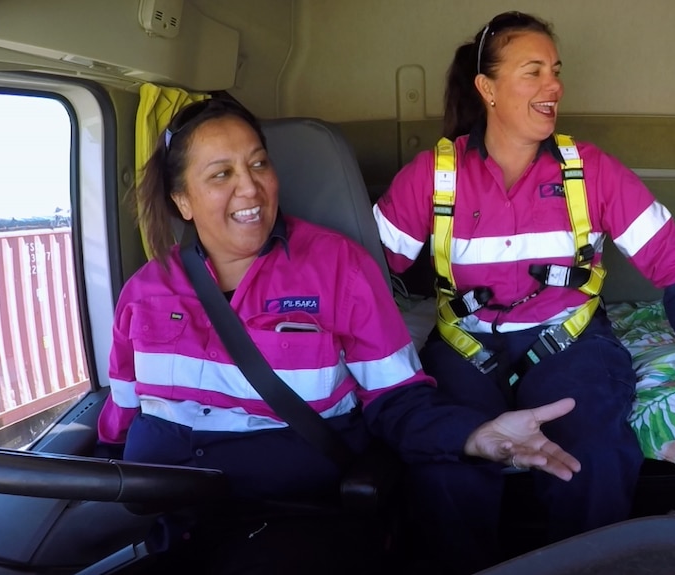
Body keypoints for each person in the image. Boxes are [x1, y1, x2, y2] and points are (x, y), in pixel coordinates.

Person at [96, 97, 581, 575]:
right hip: (167, 526)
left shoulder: (338, 267)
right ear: (182, 199)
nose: (251, 187)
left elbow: (398, 400)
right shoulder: (143, 292)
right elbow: (121, 419)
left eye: (259, 164)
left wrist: (475, 435)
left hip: (288, 522)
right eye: (222, 174)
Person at [373, 9, 675, 569]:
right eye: (533, 71)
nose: (554, 86)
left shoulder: (588, 171)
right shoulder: (432, 175)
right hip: (465, 345)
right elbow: (364, 280)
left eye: (556, 71)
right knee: (447, 463)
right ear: (487, 88)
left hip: (571, 341)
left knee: (591, 457)